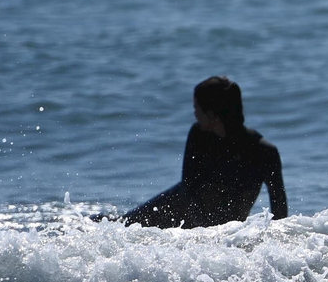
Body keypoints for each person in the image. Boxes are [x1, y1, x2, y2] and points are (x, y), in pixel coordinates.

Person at [120, 76, 288, 228]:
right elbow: (189, 188)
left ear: (212, 115)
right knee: (121, 226)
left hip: (216, 227)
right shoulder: (199, 136)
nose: (195, 114)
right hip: (177, 210)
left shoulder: (264, 152)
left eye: (196, 108)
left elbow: (280, 212)